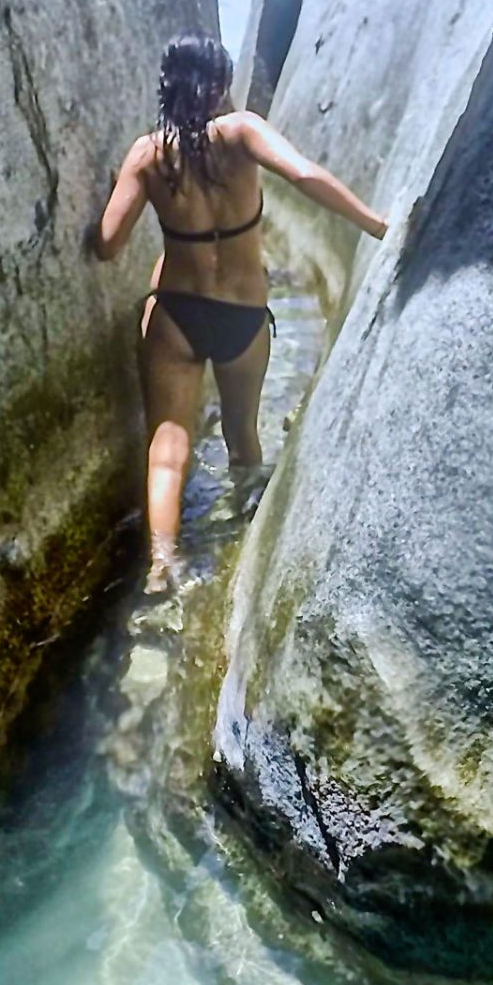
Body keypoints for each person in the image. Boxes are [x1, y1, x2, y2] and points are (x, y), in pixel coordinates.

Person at [91, 33, 387, 590]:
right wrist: (376, 224)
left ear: (166, 87)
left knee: (169, 440)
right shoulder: (243, 132)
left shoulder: (147, 155)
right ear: (222, 84)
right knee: (242, 437)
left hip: (175, 313)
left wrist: (115, 196)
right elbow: (303, 175)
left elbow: (107, 244)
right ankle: (246, 550)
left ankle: (162, 563)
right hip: (244, 317)